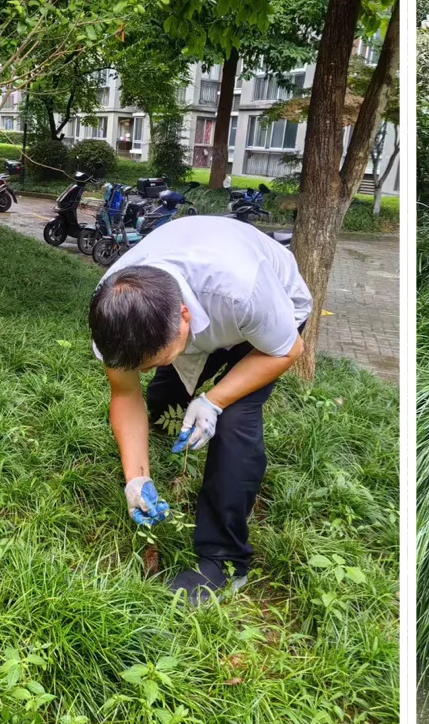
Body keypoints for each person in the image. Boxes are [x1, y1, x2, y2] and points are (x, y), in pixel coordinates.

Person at [88, 215, 312, 606]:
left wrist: (214, 400)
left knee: (234, 425)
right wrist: (134, 478)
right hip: (204, 314)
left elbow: (289, 350)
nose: (146, 371)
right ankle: (155, 463)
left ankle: (225, 562)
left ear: (183, 321)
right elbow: (126, 396)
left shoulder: (244, 289)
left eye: (158, 360)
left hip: (269, 322)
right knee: (161, 404)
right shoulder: (112, 311)